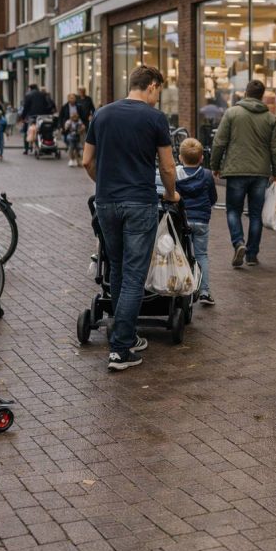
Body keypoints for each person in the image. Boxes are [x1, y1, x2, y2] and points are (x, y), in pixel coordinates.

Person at [83, 65, 180, 372]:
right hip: (139, 202)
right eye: (158, 92)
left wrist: (103, 184)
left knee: (118, 271)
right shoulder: (154, 118)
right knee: (136, 277)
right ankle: (121, 349)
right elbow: (167, 167)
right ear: (151, 86)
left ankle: (127, 334)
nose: (157, 98)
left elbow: (87, 160)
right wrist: (170, 194)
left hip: (107, 203)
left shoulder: (102, 114)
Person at [210, 79, 276, 267]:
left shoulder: (232, 113)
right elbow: (275, 149)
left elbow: (219, 142)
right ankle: (252, 255)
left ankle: (238, 242)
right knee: (255, 214)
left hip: (236, 170)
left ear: (246, 93)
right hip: (260, 172)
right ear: (262, 96)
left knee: (234, 210)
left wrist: (214, 165)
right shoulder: (270, 118)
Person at [175, 138, 218, 306]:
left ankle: (182, 288)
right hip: (201, 220)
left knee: (181, 254)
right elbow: (212, 197)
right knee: (202, 255)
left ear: (180, 157)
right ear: (201, 158)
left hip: (182, 219)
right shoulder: (206, 175)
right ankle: (205, 291)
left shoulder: (176, 174)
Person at [21, 84, 49, 154]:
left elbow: (26, 107)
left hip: (32, 115)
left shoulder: (28, 95)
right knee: (42, 130)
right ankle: (44, 145)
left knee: (27, 131)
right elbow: (47, 105)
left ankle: (26, 149)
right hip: (42, 116)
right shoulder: (43, 94)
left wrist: (23, 117)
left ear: (30, 88)